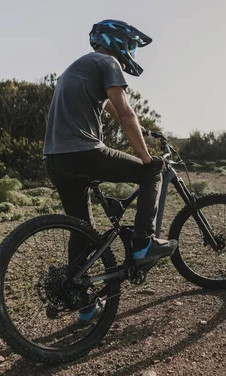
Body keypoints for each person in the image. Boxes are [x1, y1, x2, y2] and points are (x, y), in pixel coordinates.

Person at [42, 19, 178, 320]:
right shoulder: (108, 62)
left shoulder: (77, 68)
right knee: (150, 172)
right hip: (83, 152)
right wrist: (145, 156)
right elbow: (127, 114)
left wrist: (146, 131)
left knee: (82, 229)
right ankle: (143, 243)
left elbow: (115, 112)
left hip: (54, 159)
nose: (131, 52)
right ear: (118, 43)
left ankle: (83, 303)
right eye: (130, 46)